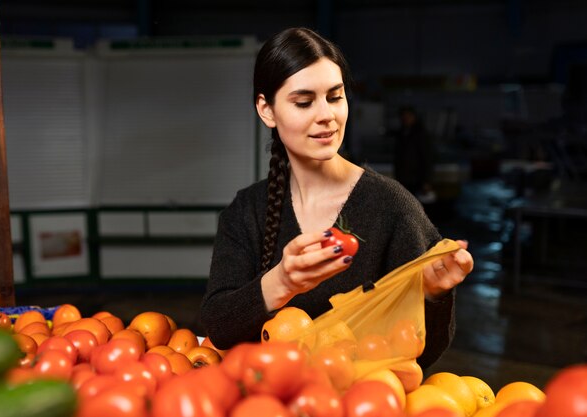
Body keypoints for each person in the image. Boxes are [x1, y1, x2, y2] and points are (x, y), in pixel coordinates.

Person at [199, 27, 473, 369]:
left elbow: (420, 355)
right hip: (268, 400)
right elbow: (218, 326)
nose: (326, 115)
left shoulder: (393, 208)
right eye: (303, 102)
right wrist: (282, 282)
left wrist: (433, 295)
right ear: (266, 110)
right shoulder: (246, 212)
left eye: (335, 96)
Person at [393, 105, 436, 202]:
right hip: (404, 178)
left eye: (408, 116)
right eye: (403, 116)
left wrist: (427, 181)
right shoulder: (402, 133)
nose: (405, 119)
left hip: (417, 178)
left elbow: (427, 158)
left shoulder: (421, 134)